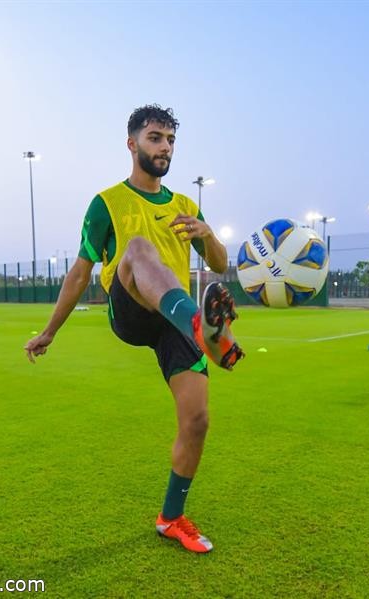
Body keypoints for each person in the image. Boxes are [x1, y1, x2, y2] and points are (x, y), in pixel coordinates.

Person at [24, 104, 244, 553]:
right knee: (139, 249)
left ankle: (171, 517)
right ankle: (202, 326)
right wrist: (49, 331)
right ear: (132, 144)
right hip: (129, 308)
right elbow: (80, 274)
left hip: (173, 321)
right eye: (155, 138)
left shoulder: (184, 205)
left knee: (197, 420)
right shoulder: (107, 203)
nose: (164, 147)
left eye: (170, 141)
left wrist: (206, 233)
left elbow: (220, 265)